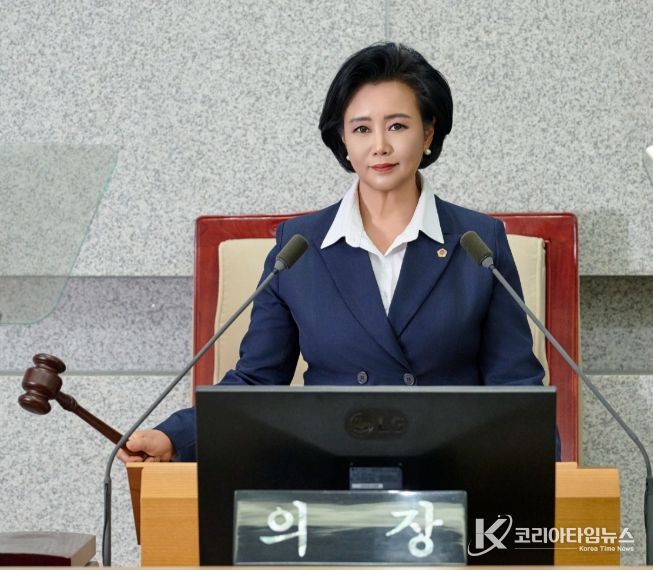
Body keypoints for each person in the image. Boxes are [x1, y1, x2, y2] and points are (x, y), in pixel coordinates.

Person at [118, 42, 547, 464]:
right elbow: (257, 381)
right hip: (332, 478)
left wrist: (547, 481)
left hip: (450, 474)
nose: (380, 145)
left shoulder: (478, 242)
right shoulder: (298, 247)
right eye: (361, 129)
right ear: (342, 140)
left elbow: (516, 388)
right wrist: (174, 437)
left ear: (428, 133)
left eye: (397, 126)